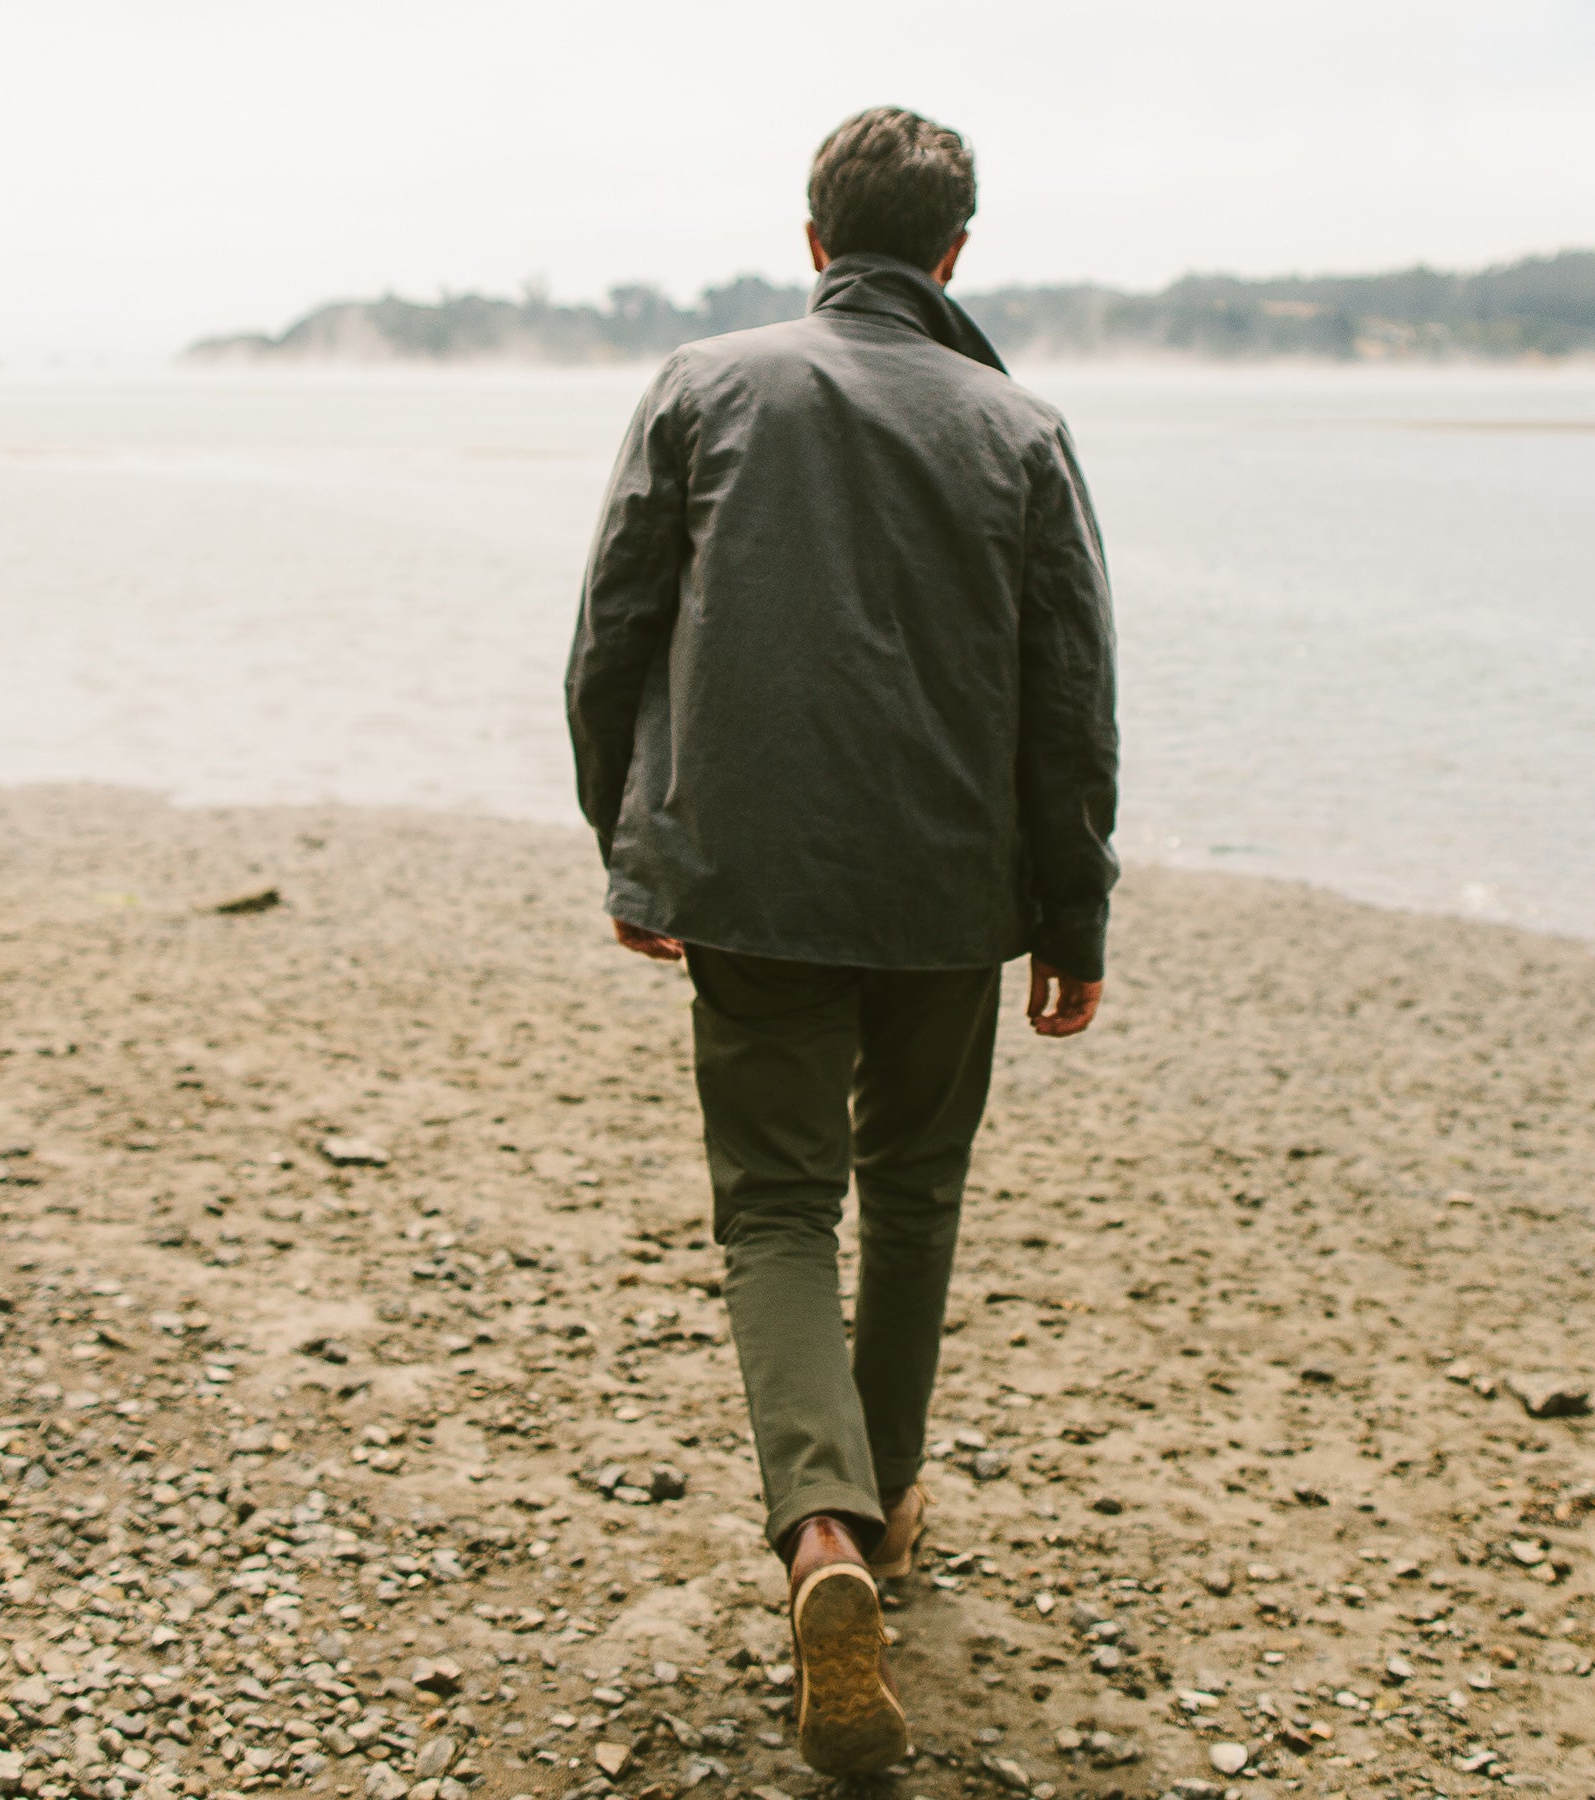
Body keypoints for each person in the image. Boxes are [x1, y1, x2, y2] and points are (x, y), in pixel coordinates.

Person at [566, 104, 1118, 1774]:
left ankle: (821, 1535)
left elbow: (611, 638)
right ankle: (880, 1513)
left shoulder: (703, 385)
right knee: (917, 1190)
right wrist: (1074, 909)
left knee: (779, 1207)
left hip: (751, 876)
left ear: (815, 241)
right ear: (956, 251)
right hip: (951, 890)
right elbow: (1070, 699)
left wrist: (634, 847)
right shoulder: (1020, 428)